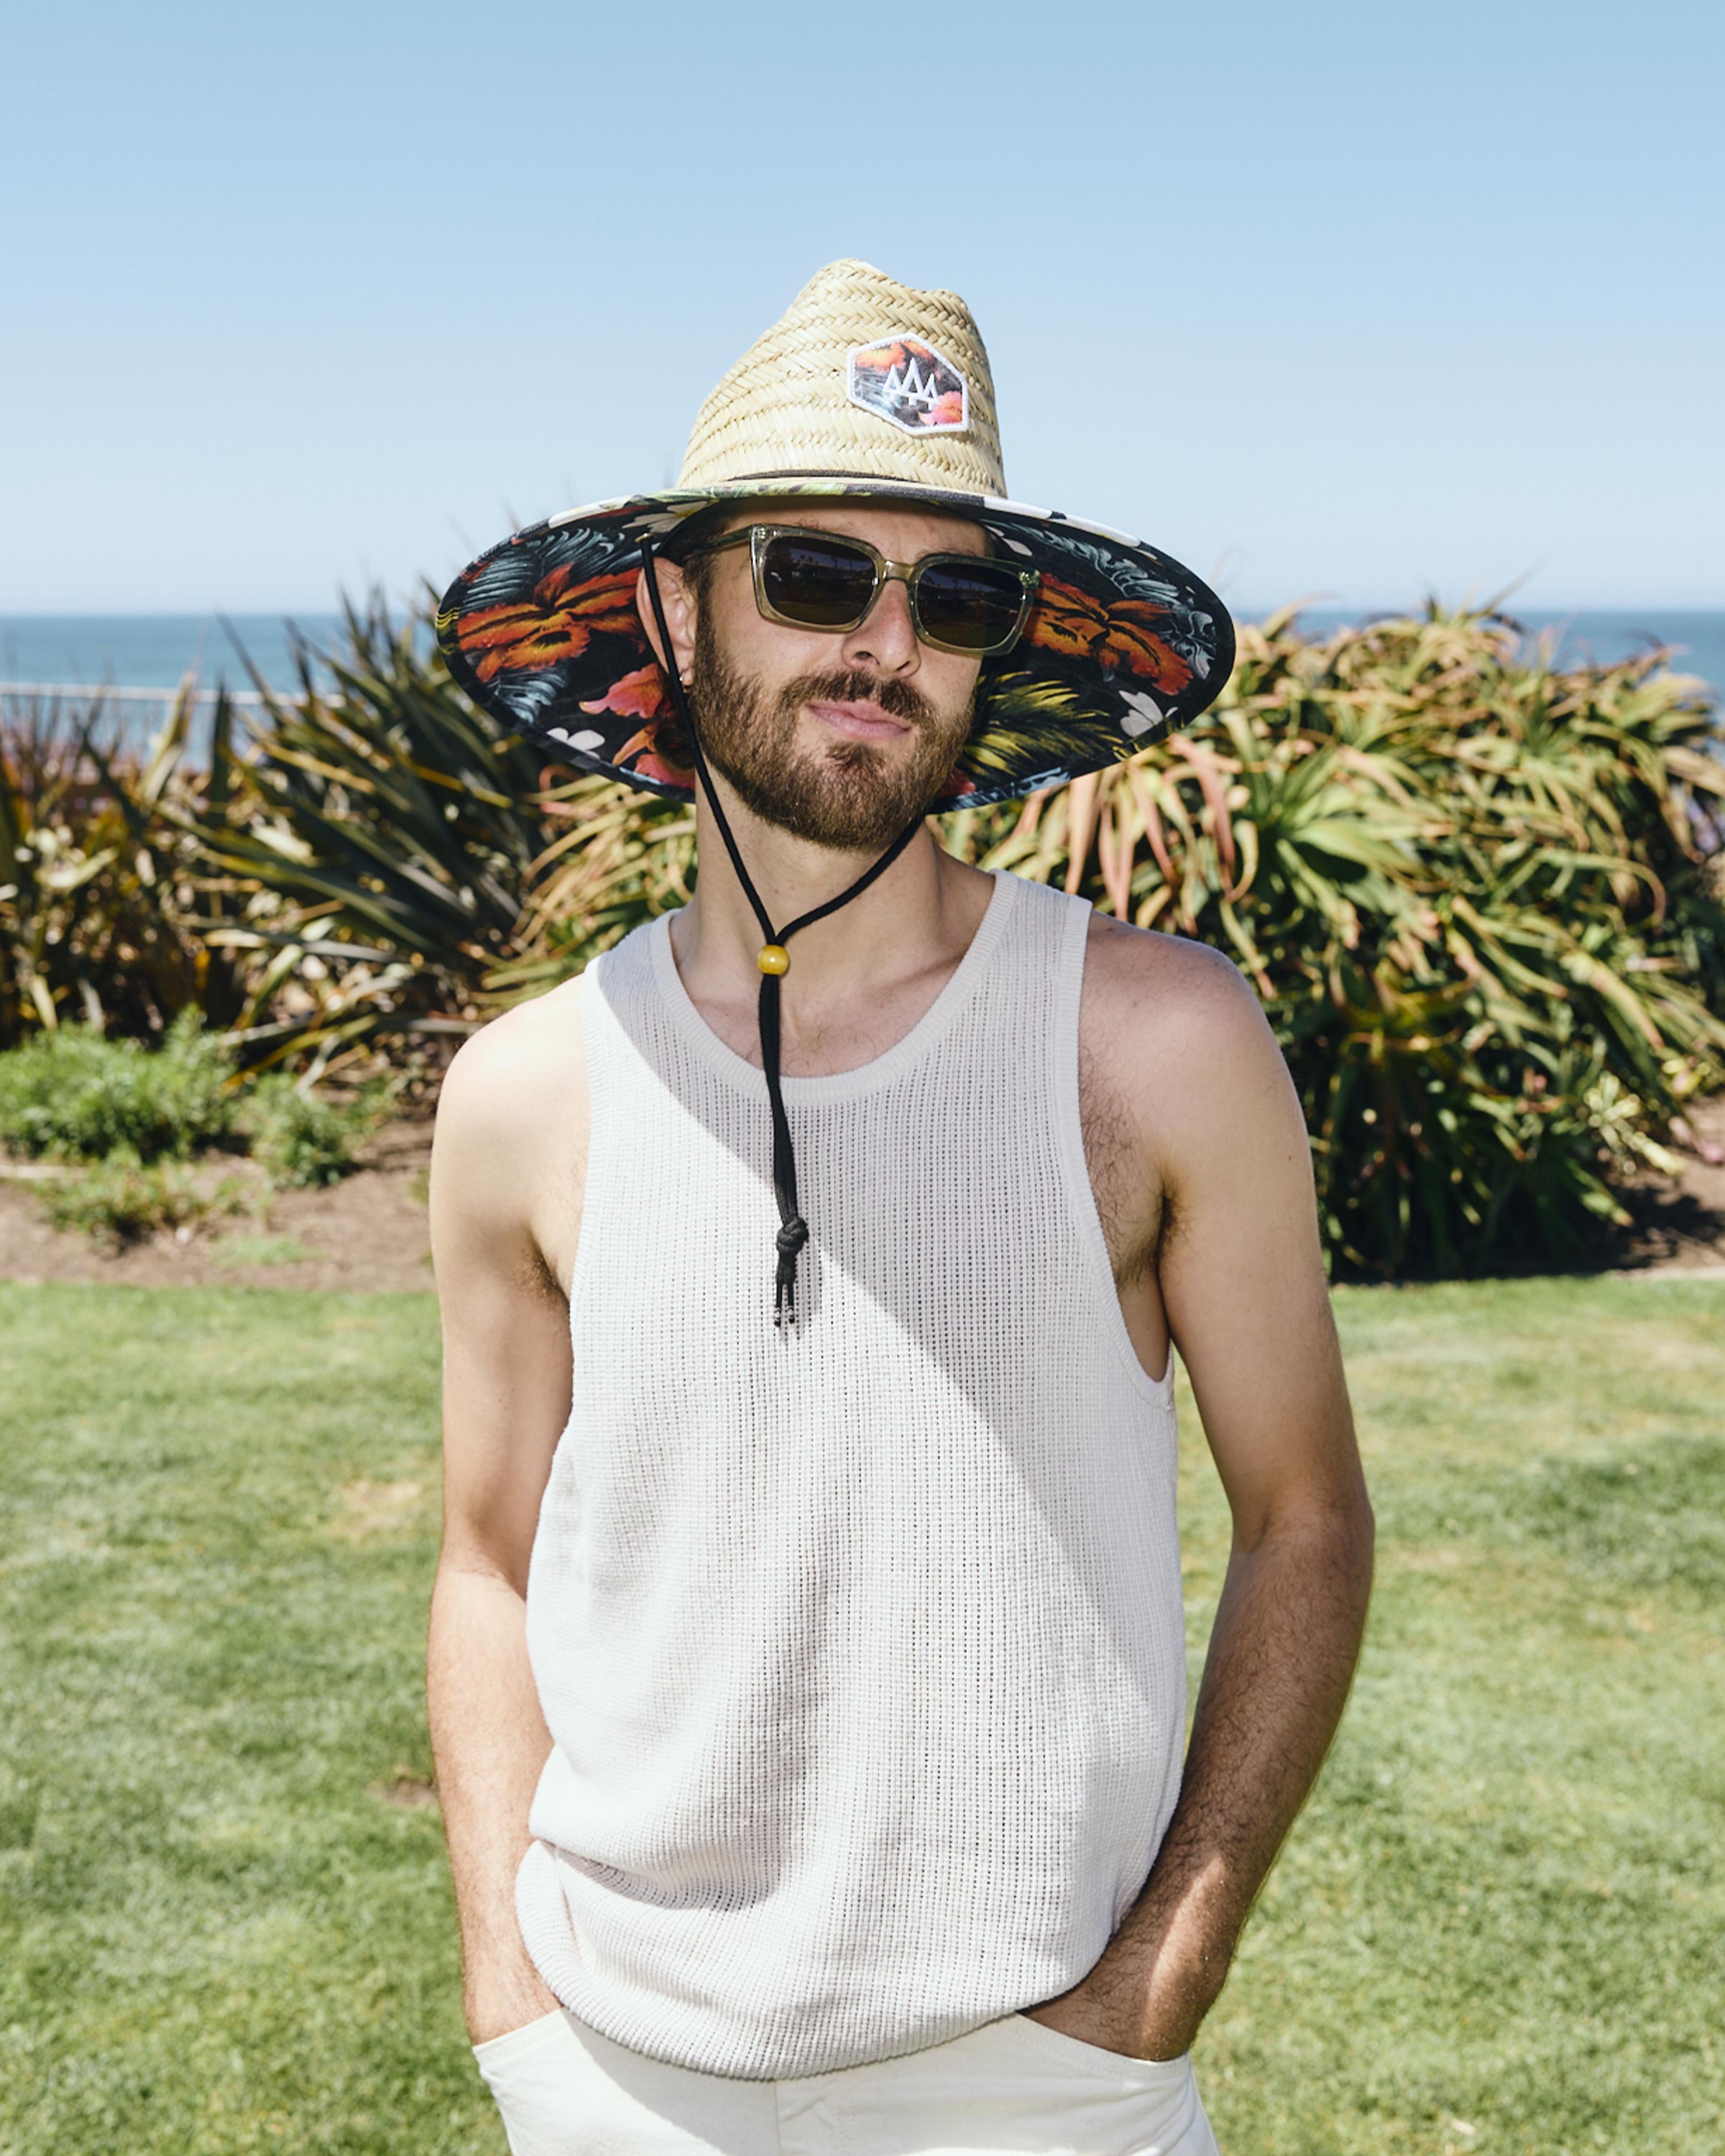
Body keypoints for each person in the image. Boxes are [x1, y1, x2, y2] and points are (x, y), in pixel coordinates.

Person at [426, 260, 1374, 2156]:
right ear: (677, 614)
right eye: (811, 576)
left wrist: (1156, 1985)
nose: (884, 639)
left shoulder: (1157, 1042)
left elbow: (1309, 1516)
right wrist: (512, 2009)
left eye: (954, 595)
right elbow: (488, 1563)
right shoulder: (524, 1090)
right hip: (614, 2073)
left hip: (1038, 2077)